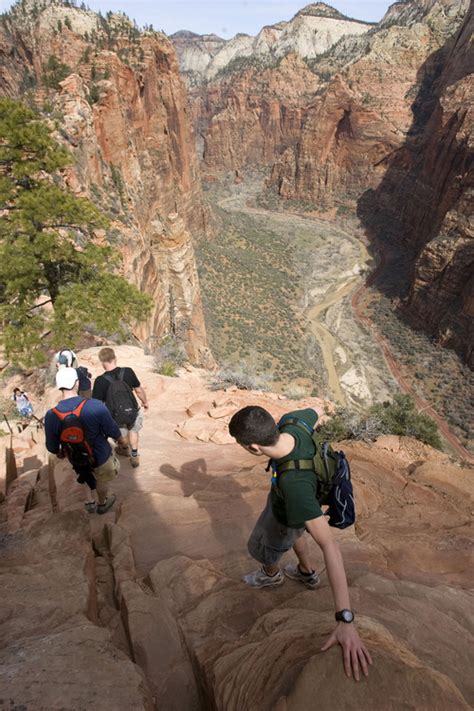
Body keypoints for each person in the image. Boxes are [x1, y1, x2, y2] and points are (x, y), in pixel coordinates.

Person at [229, 405, 372, 682]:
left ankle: (271, 576)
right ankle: (307, 573)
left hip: (290, 510)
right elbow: (317, 409)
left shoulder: (294, 486)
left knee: (261, 546)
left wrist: (345, 620)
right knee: (296, 532)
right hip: (302, 505)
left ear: (254, 447)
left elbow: (330, 545)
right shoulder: (294, 422)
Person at [45, 367, 126, 514]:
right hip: (100, 454)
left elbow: (52, 447)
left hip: (75, 455)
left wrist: (60, 453)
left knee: (83, 472)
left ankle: (89, 501)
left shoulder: (51, 415)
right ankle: (102, 503)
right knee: (102, 479)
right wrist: (122, 442)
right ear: (77, 383)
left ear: (59, 386)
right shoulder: (95, 405)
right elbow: (112, 430)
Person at [92, 347, 148, 468]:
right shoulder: (128, 371)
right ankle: (134, 454)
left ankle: (123, 448)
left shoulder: (100, 381)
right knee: (133, 430)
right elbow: (138, 390)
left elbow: (97, 404)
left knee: (122, 434)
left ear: (102, 363)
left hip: (115, 415)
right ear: (115, 358)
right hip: (133, 409)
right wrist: (145, 402)